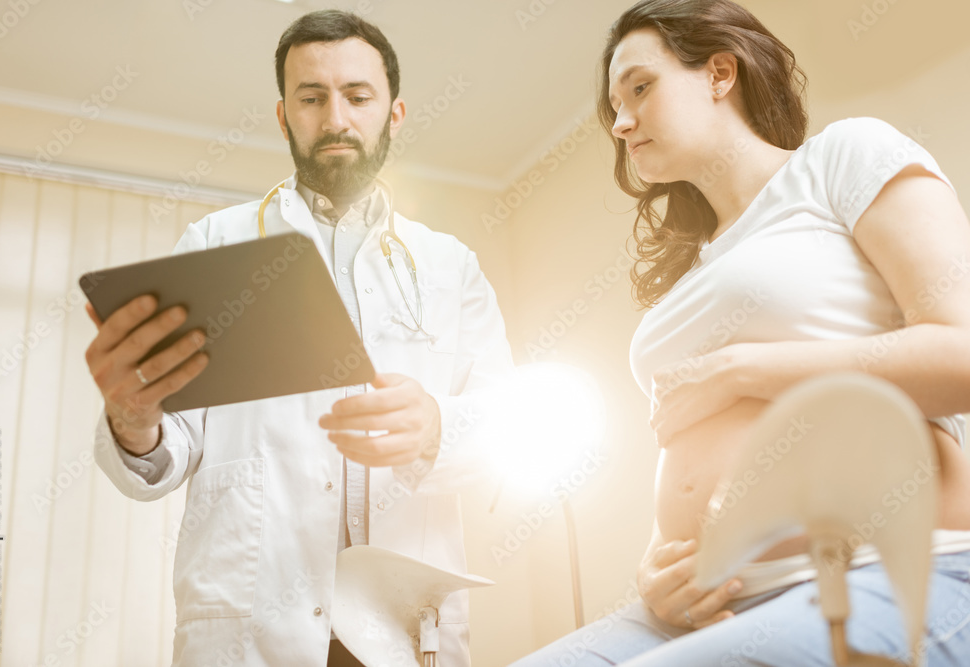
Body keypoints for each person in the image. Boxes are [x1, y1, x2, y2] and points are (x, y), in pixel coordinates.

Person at [513, 0, 970, 665]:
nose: (621, 121)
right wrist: (654, 568)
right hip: (702, 609)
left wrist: (745, 369)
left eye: (640, 87)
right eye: (613, 105)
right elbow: (688, 443)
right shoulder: (687, 279)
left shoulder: (842, 158)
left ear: (719, 74)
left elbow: (960, 354)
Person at [84, 10, 513, 666]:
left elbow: (504, 433)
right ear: (284, 116)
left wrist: (435, 428)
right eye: (311, 98)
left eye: (358, 96)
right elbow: (165, 456)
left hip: (405, 632)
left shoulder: (450, 266)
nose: (335, 118)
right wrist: (131, 417)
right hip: (250, 631)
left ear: (394, 114)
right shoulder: (215, 244)